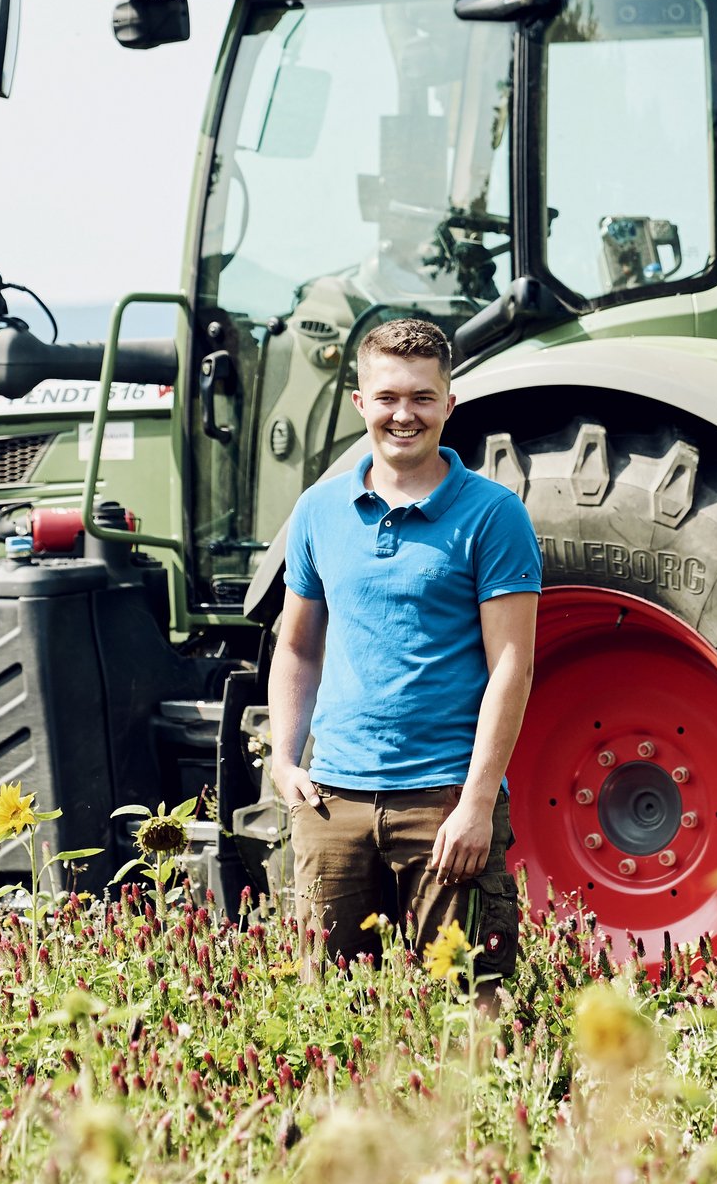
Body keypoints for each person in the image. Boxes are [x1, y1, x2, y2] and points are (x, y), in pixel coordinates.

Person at [268, 317, 540, 984]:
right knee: (330, 1011)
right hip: (333, 801)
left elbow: (514, 665)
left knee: (472, 1002)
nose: (404, 415)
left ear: (450, 404)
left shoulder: (493, 514)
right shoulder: (318, 511)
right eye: (388, 398)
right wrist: (282, 759)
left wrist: (477, 804)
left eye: (422, 398)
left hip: (444, 803)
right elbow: (297, 647)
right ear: (361, 403)